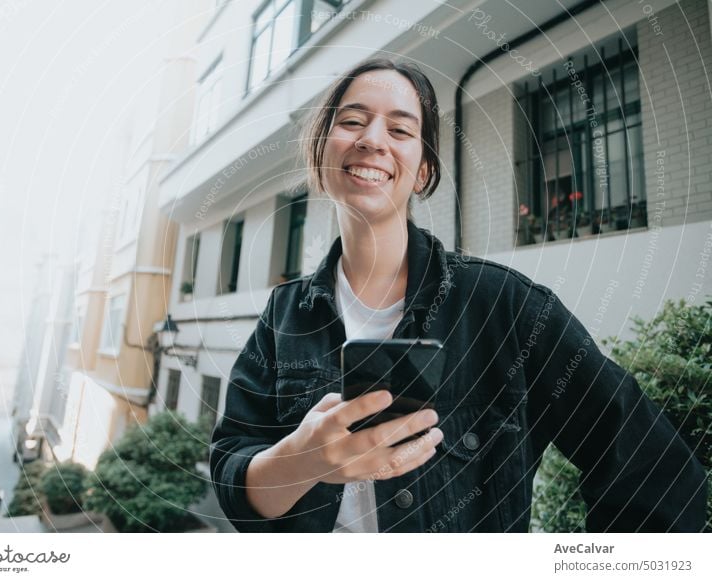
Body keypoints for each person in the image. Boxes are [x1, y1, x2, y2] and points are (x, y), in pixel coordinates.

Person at [209, 58, 707, 533]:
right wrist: (303, 461)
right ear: (322, 148)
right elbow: (235, 476)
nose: (372, 140)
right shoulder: (284, 315)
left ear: (423, 170)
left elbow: (651, 464)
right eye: (353, 121)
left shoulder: (504, 306)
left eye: (400, 130)